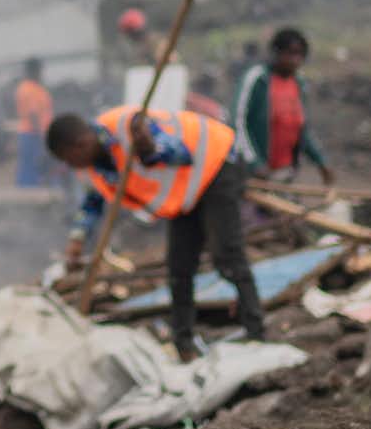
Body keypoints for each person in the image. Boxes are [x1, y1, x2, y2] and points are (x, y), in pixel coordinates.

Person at [46, 103, 258, 360]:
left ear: (78, 145)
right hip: (185, 192)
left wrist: (149, 148)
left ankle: (256, 332)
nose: (72, 167)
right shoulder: (98, 167)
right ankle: (185, 346)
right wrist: (77, 239)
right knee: (179, 268)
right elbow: (92, 204)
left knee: (227, 254)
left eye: (69, 160)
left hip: (216, 163)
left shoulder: (129, 125)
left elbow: (181, 153)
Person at [233, 29, 335, 188]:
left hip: (284, 173)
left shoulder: (299, 84)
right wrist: (254, 163)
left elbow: (301, 129)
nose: (295, 60)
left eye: (300, 55)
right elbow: (237, 122)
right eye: (290, 54)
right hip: (254, 174)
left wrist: (320, 161)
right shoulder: (257, 79)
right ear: (276, 52)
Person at [11, 60, 55, 190]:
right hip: (32, 133)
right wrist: (41, 134)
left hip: (35, 132)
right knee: (31, 166)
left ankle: (30, 190)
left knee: (33, 166)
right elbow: (33, 114)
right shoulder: (28, 89)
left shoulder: (35, 87)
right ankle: (28, 193)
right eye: (40, 70)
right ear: (33, 71)